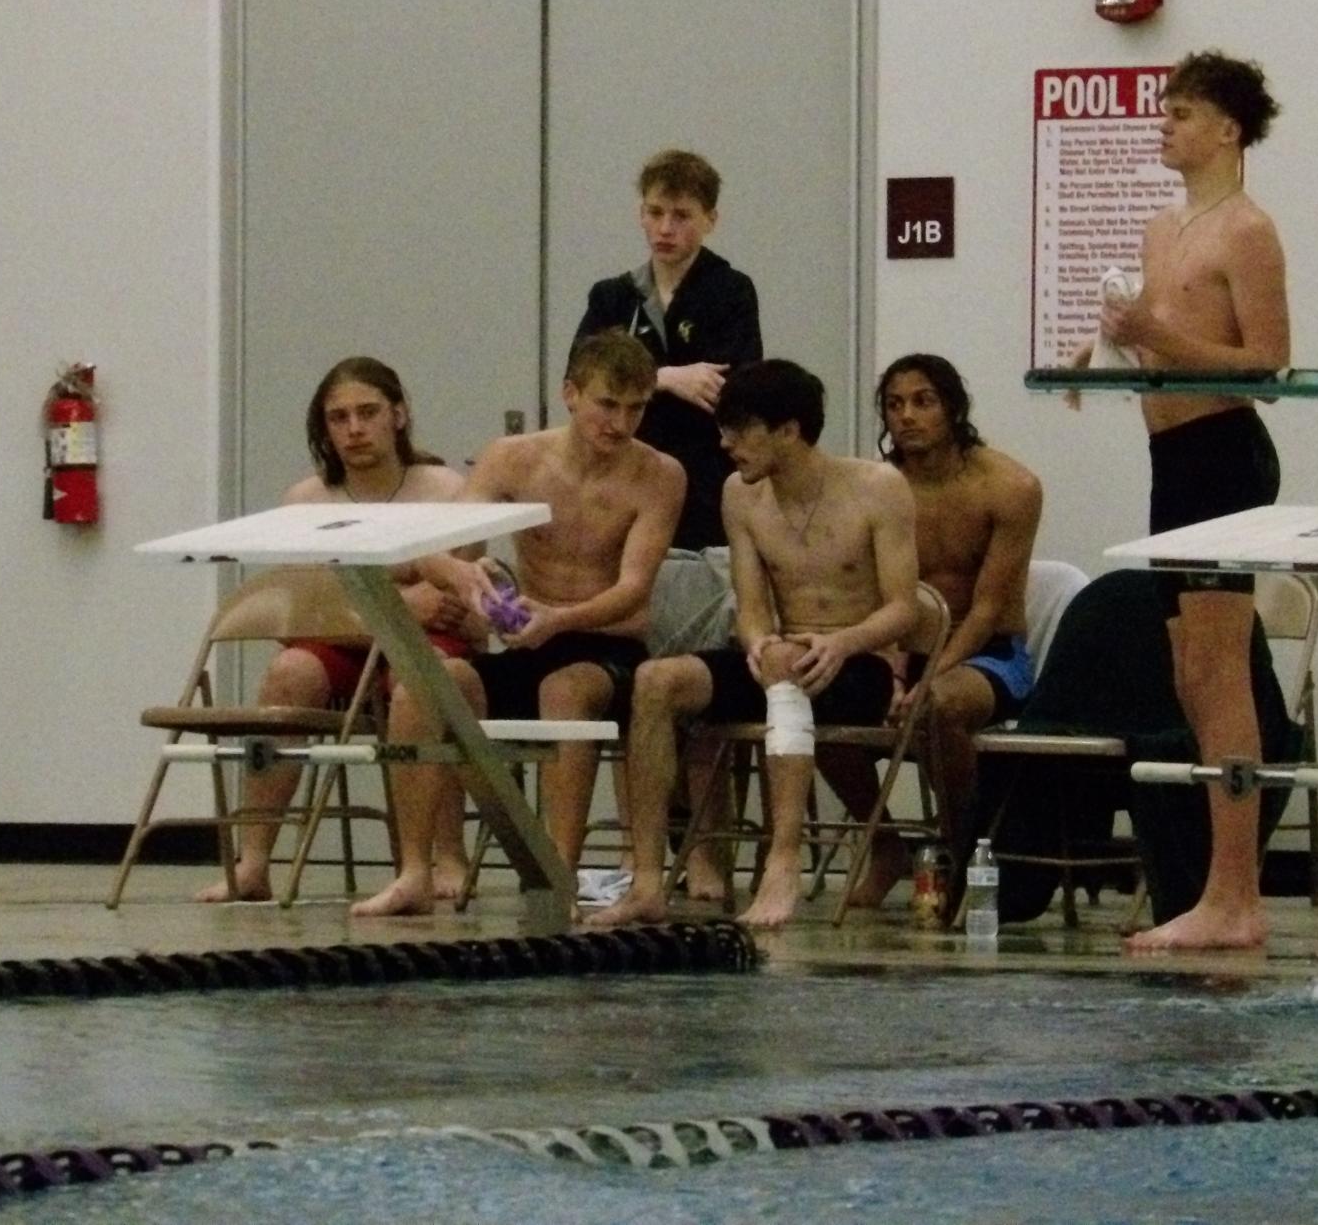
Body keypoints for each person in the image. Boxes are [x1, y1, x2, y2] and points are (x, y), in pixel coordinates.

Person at [350, 330, 684, 917]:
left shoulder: (659, 475)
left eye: (637, 409)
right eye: (608, 404)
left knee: (565, 689)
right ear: (571, 394)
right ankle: (414, 871)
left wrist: (559, 619)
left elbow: (633, 588)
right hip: (530, 638)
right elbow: (436, 548)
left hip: (605, 647)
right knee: (425, 683)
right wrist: (466, 579)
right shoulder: (514, 457)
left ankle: (556, 871)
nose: (620, 423)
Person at [1073, 49, 1290, 953]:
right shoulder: (1163, 230)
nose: (1164, 124)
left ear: (1228, 130)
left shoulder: (1247, 231)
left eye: (1183, 113)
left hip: (1223, 457)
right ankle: (1216, 885)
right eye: (1165, 110)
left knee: (1221, 672)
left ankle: (1235, 894)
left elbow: (1268, 362)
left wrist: (1153, 331)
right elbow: (1156, 338)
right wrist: (1100, 350)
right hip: (1168, 458)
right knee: (1191, 677)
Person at [589, 360, 918, 930]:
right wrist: (758, 641)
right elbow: (752, 604)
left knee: (788, 665)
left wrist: (842, 642)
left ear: (788, 431)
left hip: (857, 661)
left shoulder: (877, 488)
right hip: (782, 660)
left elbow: (903, 608)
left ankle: (781, 864)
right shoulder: (740, 497)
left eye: (740, 431)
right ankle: (646, 881)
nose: (725, 444)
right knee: (655, 680)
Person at [195, 356, 469, 904]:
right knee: (287, 672)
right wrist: (398, 603)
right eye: (338, 418)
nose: (354, 429)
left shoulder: (444, 488)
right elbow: (305, 605)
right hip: (342, 640)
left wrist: (389, 605)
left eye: (367, 413)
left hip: (425, 647)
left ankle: (443, 858)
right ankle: (253, 863)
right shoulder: (307, 499)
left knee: (422, 682)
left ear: (398, 414)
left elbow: (451, 599)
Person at [827, 352, 1043, 910]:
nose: (908, 416)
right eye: (894, 404)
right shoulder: (875, 489)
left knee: (939, 707)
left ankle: (960, 852)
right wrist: (894, 669)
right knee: (818, 701)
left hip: (988, 657)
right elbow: (873, 597)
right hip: (900, 650)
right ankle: (886, 846)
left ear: (953, 408)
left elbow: (989, 607)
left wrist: (930, 678)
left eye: (923, 401)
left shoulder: (1010, 487)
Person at [576, 149, 763, 553]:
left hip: (704, 477)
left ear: (710, 219)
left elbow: (731, 386)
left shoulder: (731, 291)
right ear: (639, 212)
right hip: (623, 466)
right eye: (654, 212)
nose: (665, 228)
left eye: (681, 216)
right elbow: (582, 377)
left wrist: (634, 378)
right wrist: (666, 377)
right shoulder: (612, 296)